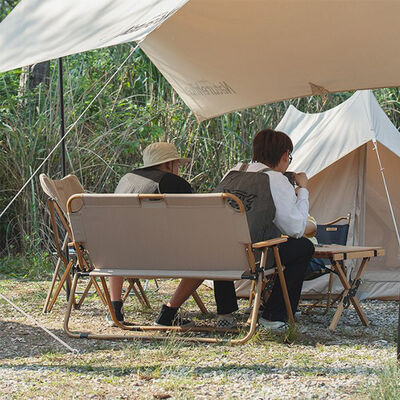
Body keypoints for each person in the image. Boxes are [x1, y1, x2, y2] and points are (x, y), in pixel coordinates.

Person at [215, 128, 315, 330]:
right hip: (255, 256)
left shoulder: (232, 172)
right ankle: (274, 314)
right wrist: (303, 190)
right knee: (303, 247)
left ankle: (225, 312)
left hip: (219, 254)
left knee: (224, 237)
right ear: (286, 154)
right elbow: (295, 228)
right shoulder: (275, 179)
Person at [108, 142, 202, 327]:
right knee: (207, 259)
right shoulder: (174, 183)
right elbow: (194, 224)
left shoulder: (126, 180)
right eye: (177, 165)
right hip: (165, 260)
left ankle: (115, 309)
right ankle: (168, 312)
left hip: (120, 261)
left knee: (117, 242)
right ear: (169, 164)